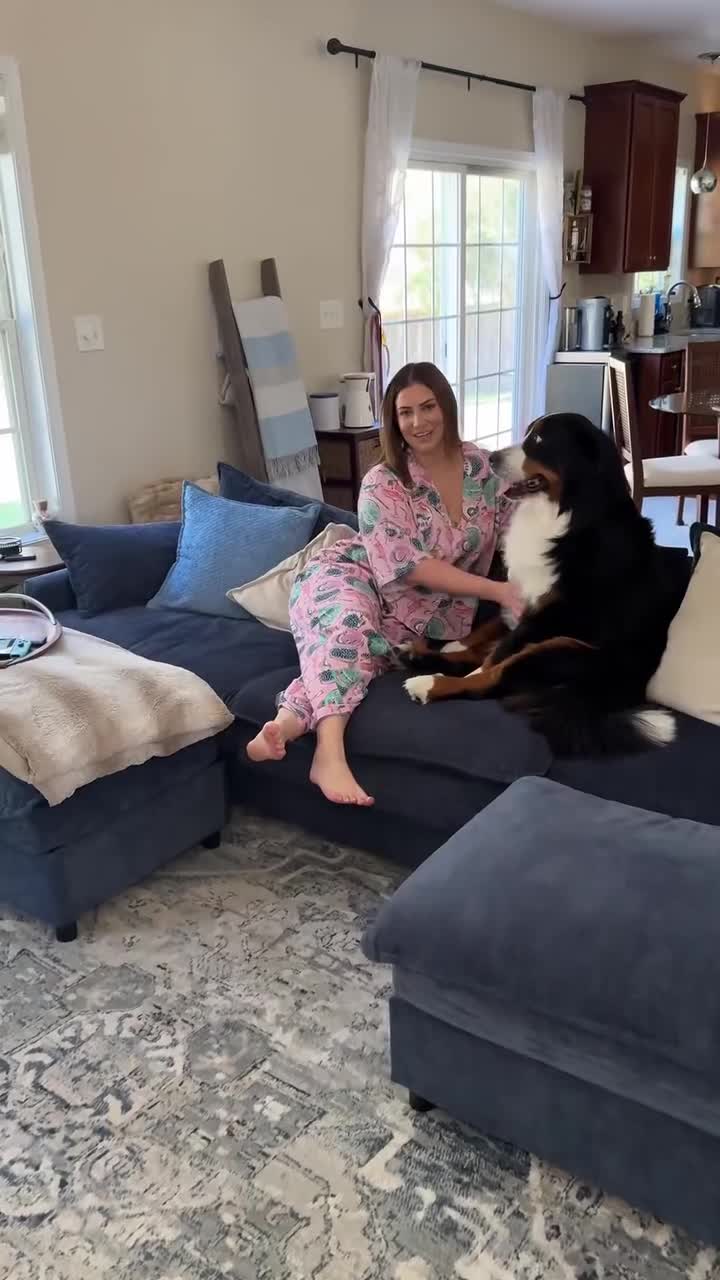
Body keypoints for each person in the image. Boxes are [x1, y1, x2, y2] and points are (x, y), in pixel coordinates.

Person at [247, 361, 522, 806]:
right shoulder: (383, 483)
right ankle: (329, 755)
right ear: (394, 421)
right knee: (348, 626)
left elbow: (516, 527)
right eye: (405, 412)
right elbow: (410, 567)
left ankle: (285, 722)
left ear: (446, 407)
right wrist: (498, 591)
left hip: (421, 620)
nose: (418, 422)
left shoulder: (481, 468)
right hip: (351, 574)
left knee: (361, 656)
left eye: (428, 407)